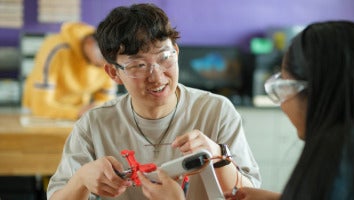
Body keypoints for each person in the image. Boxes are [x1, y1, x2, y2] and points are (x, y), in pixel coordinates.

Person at [141, 20, 354, 200]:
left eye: (282, 86)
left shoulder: (340, 166)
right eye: (137, 66)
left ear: (317, 92)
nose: (283, 104)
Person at [46, 3, 261, 200]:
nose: (157, 77)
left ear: (176, 51)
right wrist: (81, 179)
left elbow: (250, 195)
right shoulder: (94, 124)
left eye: (164, 58)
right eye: (138, 65)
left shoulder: (216, 111)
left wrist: (218, 157)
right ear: (113, 73)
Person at [22, 22, 116, 120]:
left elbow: (106, 104)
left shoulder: (106, 62)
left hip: (77, 114)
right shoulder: (56, 49)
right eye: (102, 56)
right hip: (40, 113)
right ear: (90, 42)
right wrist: (78, 112)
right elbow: (40, 106)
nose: (105, 65)